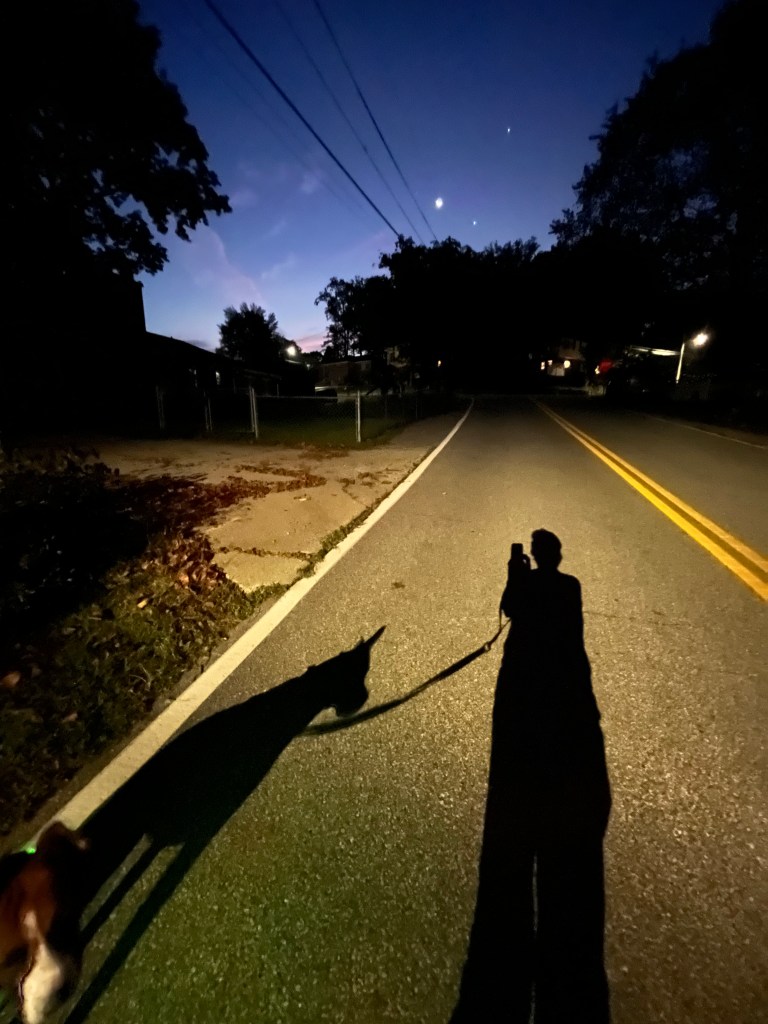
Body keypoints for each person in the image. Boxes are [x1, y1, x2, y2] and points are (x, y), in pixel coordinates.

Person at [452, 530, 612, 1024]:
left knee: (510, 828)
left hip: (525, 690)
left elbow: (509, 611)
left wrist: (512, 577)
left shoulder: (531, 587)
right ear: (558, 556)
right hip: (567, 697)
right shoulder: (572, 587)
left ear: (535, 556)